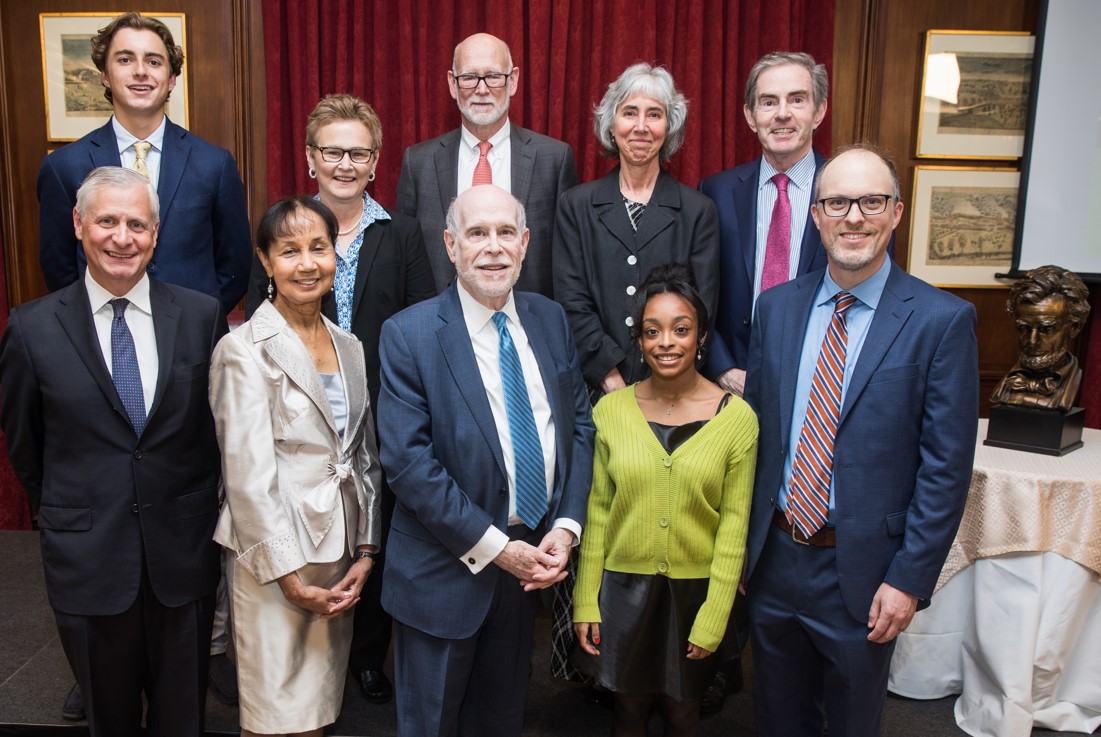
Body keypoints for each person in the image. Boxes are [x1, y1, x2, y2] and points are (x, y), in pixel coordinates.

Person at [742, 145, 979, 736]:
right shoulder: (776, 309)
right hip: (774, 559)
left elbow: (945, 470)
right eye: (838, 202)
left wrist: (908, 579)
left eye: (870, 201)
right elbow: (756, 436)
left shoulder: (940, 321)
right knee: (776, 719)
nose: (854, 217)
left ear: (895, 213)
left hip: (867, 574)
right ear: (817, 215)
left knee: (852, 723)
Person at [0, 166, 226, 736]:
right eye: (107, 221)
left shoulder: (202, 317)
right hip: (90, 561)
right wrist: (70, 515)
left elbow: (217, 433)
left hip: (183, 558)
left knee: (184, 723)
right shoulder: (31, 328)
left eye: (136, 224)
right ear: (78, 225)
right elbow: (27, 448)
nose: (121, 237)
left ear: (156, 233)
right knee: (110, 720)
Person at [376, 184, 594, 737]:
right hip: (443, 576)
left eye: (504, 233)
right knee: (432, 725)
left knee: (501, 721)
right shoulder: (409, 334)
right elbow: (409, 464)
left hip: (527, 574)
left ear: (524, 244)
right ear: (451, 245)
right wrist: (500, 550)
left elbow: (580, 428)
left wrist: (566, 528)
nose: (492, 248)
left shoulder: (549, 319)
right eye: (477, 233)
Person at [244, 94, 436, 705]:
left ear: (375, 162)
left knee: (371, 524)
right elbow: (257, 319)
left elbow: (420, 320)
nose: (345, 164)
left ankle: (366, 653)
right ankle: (303, 635)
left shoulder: (401, 233)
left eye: (358, 153)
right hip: (299, 408)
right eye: (333, 151)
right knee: (308, 519)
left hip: (381, 404)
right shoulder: (285, 227)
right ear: (310, 158)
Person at [210, 196, 382, 737]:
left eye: (319, 248)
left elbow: (364, 456)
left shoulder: (350, 345)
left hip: (338, 556)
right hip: (274, 562)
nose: (307, 263)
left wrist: (367, 550)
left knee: (319, 714)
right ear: (265, 261)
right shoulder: (242, 350)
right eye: (289, 251)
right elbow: (246, 478)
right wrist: (288, 578)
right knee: (275, 717)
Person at [571, 263, 758, 737]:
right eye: (652, 331)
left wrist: (716, 615)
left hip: (695, 596)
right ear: (639, 341)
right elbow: (597, 513)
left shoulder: (737, 419)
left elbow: (734, 527)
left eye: (681, 329)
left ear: (701, 337)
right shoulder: (611, 411)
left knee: (682, 712)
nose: (666, 342)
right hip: (622, 592)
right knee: (628, 712)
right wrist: (585, 601)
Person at [37, 11, 251, 313]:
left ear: (172, 78)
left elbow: (235, 267)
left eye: (153, 61)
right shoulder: (64, 168)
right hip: (103, 337)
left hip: (193, 344)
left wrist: (199, 321)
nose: (140, 71)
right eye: (125, 60)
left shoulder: (214, 165)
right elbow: (59, 269)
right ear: (105, 75)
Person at [554, 62, 720, 397]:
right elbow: (571, 302)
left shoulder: (698, 211)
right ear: (611, 124)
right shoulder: (575, 206)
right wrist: (611, 379)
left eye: (654, 115)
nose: (641, 127)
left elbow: (699, 312)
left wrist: (656, 385)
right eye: (630, 113)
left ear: (669, 127)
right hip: (595, 392)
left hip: (672, 392)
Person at [396, 32, 578, 297]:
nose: (482, 90)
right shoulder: (419, 162)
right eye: (469, 77)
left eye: (493, 76)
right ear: (452, 83)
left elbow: (567, 261)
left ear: (512, 80)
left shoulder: (554, 159)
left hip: (525, 323)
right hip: (440, 325)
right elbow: (407, 259)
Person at [699, 51, 830, 398]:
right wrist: (723, 369)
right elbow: (697, 292)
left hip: (821, 388)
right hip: (730, 391)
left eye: (797, 100)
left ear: (819, 112)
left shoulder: (848, 195)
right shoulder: (715, 192)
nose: (782, 113)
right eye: (769, 102)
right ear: (751, 116)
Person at [989, 264, 1090, 410]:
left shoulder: (1074, 380)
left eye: (1046, 329)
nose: (1032, 341)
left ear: (1074, 328)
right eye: (1024, 328)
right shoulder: (1006, 386)